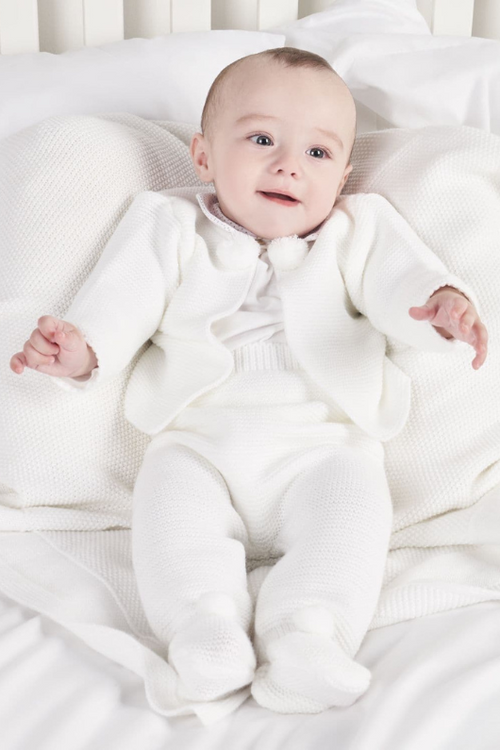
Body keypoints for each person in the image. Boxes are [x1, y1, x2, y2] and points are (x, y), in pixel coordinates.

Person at [9, 48, 488, 715]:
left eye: (318, 154)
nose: (289, 164)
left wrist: (440, 306)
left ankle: (307, 636)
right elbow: (120, 301)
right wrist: (80, 351)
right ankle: (204, 632)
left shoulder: (361, 227)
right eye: (261, 139)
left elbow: (399, 285)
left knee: (349, 527)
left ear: (344, 176)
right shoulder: (168, 222)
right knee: (172, 528)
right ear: (203, 156)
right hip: (196, 443)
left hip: (326, 447)